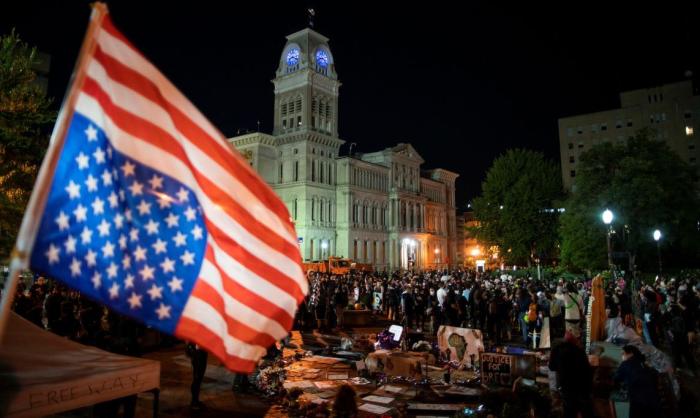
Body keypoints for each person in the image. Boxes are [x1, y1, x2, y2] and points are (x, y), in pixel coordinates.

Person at [548, 331, 594, 418]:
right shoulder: (579, 351)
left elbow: (551, 367)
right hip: (580, 386)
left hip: (564, 385)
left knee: (569, 410)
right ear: (575, 341)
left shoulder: (556, 350)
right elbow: (587, 370)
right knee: (583, 408)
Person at [614, 345, 662, 418]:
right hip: (654, 402)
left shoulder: (626, 364)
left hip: (639, 402)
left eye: (623, 354)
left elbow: (616, 379)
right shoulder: (645, 365)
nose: (622, 356)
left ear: (631, 353)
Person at [186, 342, 208, 409]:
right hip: (198, 353)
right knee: (197, 378)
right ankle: (194, 401)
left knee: (199, 378)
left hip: (202, 351)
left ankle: (196, 400)